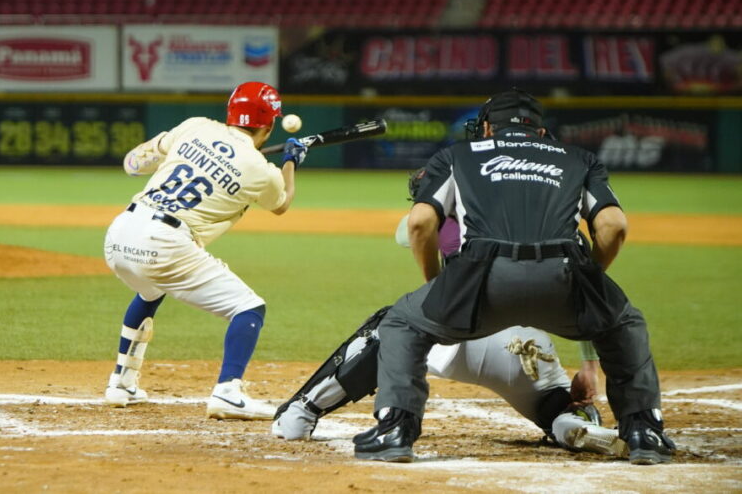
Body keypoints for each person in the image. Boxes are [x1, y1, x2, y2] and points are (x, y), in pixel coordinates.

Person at [353, 89, 675, 465]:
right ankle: (643, 431)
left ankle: (396, 428)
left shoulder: (457, 155)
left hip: (479, 283)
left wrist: (437, 286)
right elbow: (614, 226)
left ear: (487, 127)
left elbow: (422, 222)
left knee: (402, 323)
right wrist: (588, 281)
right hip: (563, 277)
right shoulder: (579, 159)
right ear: (540, 133)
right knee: (624, 323)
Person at [273, 169, 625, 457]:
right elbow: (587, 288)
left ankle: (301, 413)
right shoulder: (543, 224)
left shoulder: (443, 220)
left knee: (390, 326)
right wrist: (590, 366)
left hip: (455, 338)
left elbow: (411, 228)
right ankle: (570, 423)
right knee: (556, 404)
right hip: (528, 347)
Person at [102, 81, 308, 420]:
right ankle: (228, 391)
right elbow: (282, 203)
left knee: (150, 291)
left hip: (120, 233)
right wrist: (291, 163)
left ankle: (121, 383)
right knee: (249, 307)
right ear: (269, 125)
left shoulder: (195, 125)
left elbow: (134, 164)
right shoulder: (261, 170)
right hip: (164, 243)